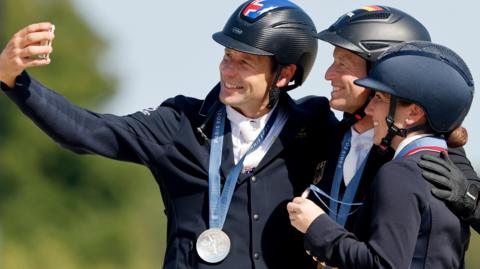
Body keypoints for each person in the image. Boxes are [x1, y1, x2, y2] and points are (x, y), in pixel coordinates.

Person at [0, 1, 338, 268]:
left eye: (245, 62)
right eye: (227, 56)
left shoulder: (314, 126)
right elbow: (87, 132)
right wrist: (15, 81)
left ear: (284, 74)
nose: (228, 70)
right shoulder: (178, 123)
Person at [288, 40, 474, 268]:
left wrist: (317, 226)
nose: (368, 109)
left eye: (379, 98)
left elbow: (383, 264)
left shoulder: (400, 172)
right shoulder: (440, 166)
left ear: (413, 113)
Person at [308, 5, 479, 233]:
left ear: (382, 72)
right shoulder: (328, 135)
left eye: (343, 64)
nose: (328, 75)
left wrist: (468, 200)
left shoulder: (429, 150)